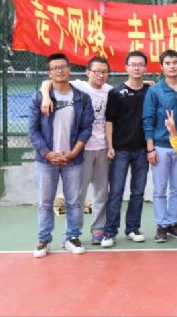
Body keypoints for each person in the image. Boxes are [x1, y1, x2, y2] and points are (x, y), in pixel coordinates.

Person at [40, 56, 112, 245]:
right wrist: (46, 96)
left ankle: (98, 230)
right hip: (81, 150)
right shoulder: (78, 87)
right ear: (88, 72)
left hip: (103, 148)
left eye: (104, 71)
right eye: (96, 71)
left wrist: (145, 82)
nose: (100, 75)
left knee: (102, 193)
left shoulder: (109, 91)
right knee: (77, 195)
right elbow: (49, 81)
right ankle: (73, 233)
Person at [28, 53, 94, 258]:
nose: (60, 70)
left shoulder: (82, 98)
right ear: (49, 73)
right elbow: (33, 131)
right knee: (45, 203)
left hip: (73, 159)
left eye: (63, 66)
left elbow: (86, 128)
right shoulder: (39, 97)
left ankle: (71, 238)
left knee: (74, 202)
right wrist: (47, 153)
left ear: (69, 69)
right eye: (55, 68)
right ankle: (44, 240)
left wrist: (74, 152)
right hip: (46, 160)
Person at [142, 49, 177, 243]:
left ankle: (173, 223)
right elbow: (148, 120)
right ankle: (161, 225)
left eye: (175, 62)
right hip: (161, 147)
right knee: (160, 189)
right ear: (161, 67)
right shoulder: (154, 91)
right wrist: (150, 148)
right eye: (168, 63)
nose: (172, 66)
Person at [100, 51, 150, 248]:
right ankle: (109, 232)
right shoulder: (115, 92)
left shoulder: (150, 91)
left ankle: (133, 229)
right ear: (126, 67)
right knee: (116, 192)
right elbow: (109, 121)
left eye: (140, 64)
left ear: (145, 68)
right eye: (133, 64)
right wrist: (110, 146)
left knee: (138, 192)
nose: (137, 68)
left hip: (142, 151)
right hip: (120, 150)